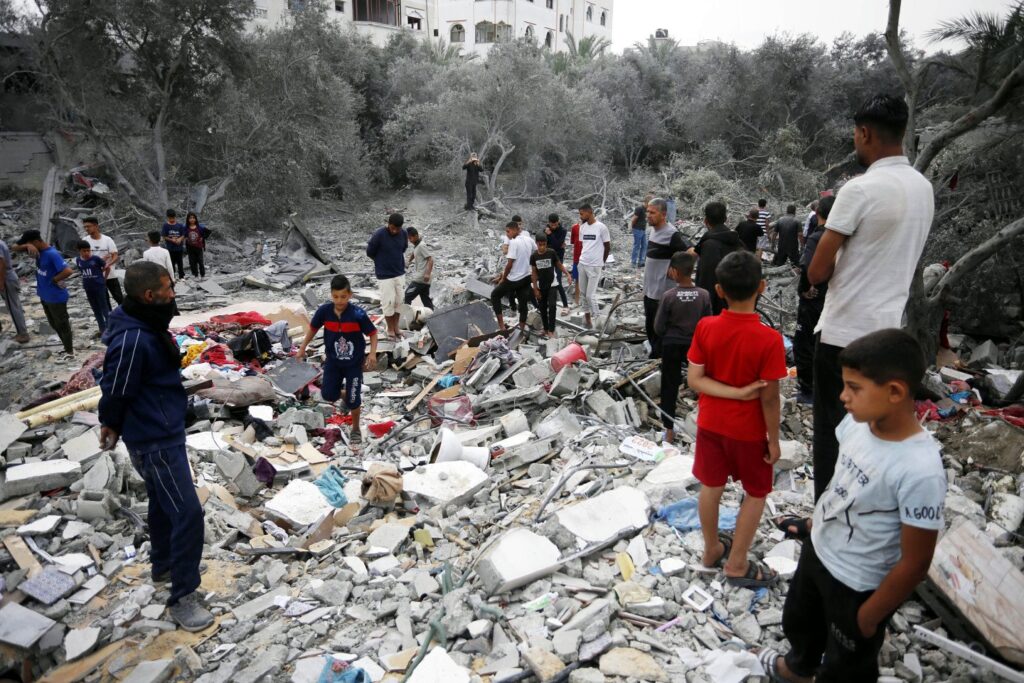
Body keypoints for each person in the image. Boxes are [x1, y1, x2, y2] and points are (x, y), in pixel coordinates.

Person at [760, 329, 945, 683]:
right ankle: (798, 668)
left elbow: (916, 561)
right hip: (820, 551)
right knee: (800, 620)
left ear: (895, 392)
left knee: (847, 664)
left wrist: (871, 615)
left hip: (858, 584)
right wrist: (817, 522)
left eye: (854, 388)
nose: (843, 396)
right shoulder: (858, 424)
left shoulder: (920, 471)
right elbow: (842, 479)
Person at [805, 93, 934, 504]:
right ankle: (866, 514)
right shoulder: (923, 188)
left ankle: (826, 520)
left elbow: (817, 271)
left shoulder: (860, 189)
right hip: (888, 335)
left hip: (845, 334)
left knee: (833, 434)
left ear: (864, 133)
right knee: (872, 437)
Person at [98, 261, 213, 632]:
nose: (172, 294)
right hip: (154, 439)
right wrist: (110, 422)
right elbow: (116, 387)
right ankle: (183, 597)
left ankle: (163, 565)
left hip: (162, 427)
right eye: (168, 288)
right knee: (188, 513)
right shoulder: (134, 338)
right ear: (150, 295)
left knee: (164, 505)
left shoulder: (145, 324)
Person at [686, 250, 787, 588]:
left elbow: (695, 380)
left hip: (711, 424)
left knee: (710, 487)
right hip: (749, 431)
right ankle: (738, 562)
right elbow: (770, 397)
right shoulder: (769, 339)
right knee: (756, 493)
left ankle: (712, 549)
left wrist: (732, 393)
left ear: (718, 290)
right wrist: (773, 439)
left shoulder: (706, 327)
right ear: (762, 286)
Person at [296, 274, 378, 447]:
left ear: (350, 295)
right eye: (335, 296)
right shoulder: (324, 312)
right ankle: (345, 395)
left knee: (355, 399)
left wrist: (372, 354)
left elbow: (373, 333)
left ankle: (355, 428)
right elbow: (312, 329)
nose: (339, 301)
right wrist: (302, 347)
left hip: (354, 364)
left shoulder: (358, 314)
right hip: (333, 361)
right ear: (331, 295)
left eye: (343, 296)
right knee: (328, 394)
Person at [654, 251, 711, 442]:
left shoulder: (669, 296)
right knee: (702, 384)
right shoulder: (703, 295)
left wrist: (668, 334)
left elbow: (658, 326)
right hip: (695, 346)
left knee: (669, 385)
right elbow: (707, 323)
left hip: (671, 344)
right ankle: (703, 423)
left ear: (674, 272)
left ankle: (669, 429)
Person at [793, 196, 834, 405]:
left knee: (803, 343)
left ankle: (808, 391)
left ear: (818, 213)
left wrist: (804, 290)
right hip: (833, 298)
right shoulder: (842, 237)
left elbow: (807, 266)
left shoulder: (818, 238)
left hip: (814, 298)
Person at [13, 230, 73, 358]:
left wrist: (55, 279)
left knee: (63, 325)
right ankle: (66, 348)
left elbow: (68, 271)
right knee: (53, 324)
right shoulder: (38, 251)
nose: (29, 250)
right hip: (44, 295)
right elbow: (13, 247)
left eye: (29, 244)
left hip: (55, 297)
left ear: (36, 242)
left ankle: (70, 352)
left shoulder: (52, 254)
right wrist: (26, 246)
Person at [643, 197, 690, 358]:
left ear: (663, 214)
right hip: (649, 290)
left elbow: (690, 252)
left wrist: (676, 267)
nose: (648, 215)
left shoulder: (672, 233)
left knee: (659, 329)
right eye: (647, 212)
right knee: (650, 326)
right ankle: (655, 357)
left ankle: (659, 360)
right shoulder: (653, 230)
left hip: (662, 293)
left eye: (652, 212)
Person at [693, 201, 744, 315]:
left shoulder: (710, 245)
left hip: (717, 309)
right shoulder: (738, 242)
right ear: (726, 219)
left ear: (706, 221)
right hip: (738, 306)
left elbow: (706, 281)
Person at [366, 213, 408, 340]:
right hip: (385, 275)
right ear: (388, 224)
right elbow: (370, 252)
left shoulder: (404, 234)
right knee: (388, 302)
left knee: (399, 302)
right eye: (392, 228)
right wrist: (381, 261)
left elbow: (403, 249)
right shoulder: (379, 234)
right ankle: (389, 328)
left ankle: (396, 327)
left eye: (397, 229)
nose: (394, 231)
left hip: (399, 272)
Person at [490, 222, 532, 332]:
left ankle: (501, 326)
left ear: (515, 230)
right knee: (523, 303)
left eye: (508, 231)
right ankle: (521, 328)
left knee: (495, 295)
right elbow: (535, 252)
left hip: (514, 278)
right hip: (527, 277)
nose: (507, 234)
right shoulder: (528, 239)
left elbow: (510, 264)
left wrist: (503, 278)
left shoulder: (514, 242)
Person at [576, 203, 611, 329]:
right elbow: (583, 245)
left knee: (591, 296)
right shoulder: (583, 227)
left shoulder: (601, 227)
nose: (580, 216)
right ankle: (587, 320)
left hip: (595, 265)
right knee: (583, 294)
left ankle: (599, 322)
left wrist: (602, 262)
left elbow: (607, 246)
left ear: (590, 212)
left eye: (582, 213)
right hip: (583, 263)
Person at [531, 233, 572, 338]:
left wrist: (567, 274)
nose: (542, 247)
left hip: (552, 284)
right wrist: (535, 289)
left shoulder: (551, 253)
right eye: (540, 245)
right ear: (536, 244)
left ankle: (551, 330)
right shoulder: (534, 256)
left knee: (553, 306)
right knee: (543, 308)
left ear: (546, 244)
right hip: (541, 285)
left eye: (544, 244)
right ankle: (545, 329)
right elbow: (534, 273)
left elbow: (558, 264)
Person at [82, 217, 123, 305]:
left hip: (110, 275)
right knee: (104, 301)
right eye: (84, 227)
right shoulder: (85, 240)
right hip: (95, 277)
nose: (86, 229)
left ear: (96, 226)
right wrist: (99, 261)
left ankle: (126, 317)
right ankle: (109, 317)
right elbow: (83, 258)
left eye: (88, 226)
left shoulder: (107, 240)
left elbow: (115, 256)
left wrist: (108, 264)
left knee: (119, 298)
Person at [75, 240, 111, 334]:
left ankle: (109, 329)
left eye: (88, 250)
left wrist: (104, 279)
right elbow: (81, 271)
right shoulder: (78, 260)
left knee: (104, 308)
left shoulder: (95, 259)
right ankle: (102, 329)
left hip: (99, 286)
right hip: (88, 287)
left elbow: (107, 267)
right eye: (84, 251)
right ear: (79, 251)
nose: (87, 253)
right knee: (95, 309)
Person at [0, 237, 30, 343]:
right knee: (14, 306)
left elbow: (1, 264)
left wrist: (1, 282)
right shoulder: (1, 243)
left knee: (13, 307)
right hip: (7, 277)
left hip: (6, 278)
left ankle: (23, 334)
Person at [404, 227, 434, 309]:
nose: (409, 240)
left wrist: (427, 274)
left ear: (416, 236)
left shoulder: (421, 246)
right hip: (424, 279)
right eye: (408, 238)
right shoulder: (417, 245)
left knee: (407, 296)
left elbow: (430, 259)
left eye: (411, 238)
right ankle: (431, 316)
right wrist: (408, 262)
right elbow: (414, 252)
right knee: (425, 299)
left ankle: (407, 316)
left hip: (421, 278)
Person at [544, 214, 570, 311]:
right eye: (552, 224)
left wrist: (550, 235)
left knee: (558, 280)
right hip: (547, 257)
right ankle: (547, 304)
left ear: (558, 221)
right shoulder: (545, 229)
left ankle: (565, 305)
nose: (553, 226)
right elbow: (544, 244)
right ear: (549, 222)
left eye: (555, 224)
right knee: (547, 280)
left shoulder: (562, 231)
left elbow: (557, 244)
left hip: (558, 258)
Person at [183, 212, 211, 279]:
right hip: (190, 247)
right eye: (190, 218)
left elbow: (208, 232)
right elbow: (183, 235)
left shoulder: (200, 227)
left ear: (195, 219)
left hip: (199, 247)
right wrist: (185, 238)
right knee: (193, 262)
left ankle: (202, 275)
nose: (192, 219)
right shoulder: (186, 228)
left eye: (193, 218)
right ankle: (195, 275)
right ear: (188, 219)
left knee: (200, 261)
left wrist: (203, 237)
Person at [161, 210, 186, 280]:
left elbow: (183, 234)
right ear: (167, 217)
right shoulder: (165, 226)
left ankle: (182, 276)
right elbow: (164, 236)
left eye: (173, 218)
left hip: (179, 247)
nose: (171, 220)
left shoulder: (180, 225)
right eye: (170, 218)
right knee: (171, 263)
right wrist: (171, 240)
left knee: (180, 262)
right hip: (170, 248)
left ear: (175, 217)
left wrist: (180, 239)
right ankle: (172, 276)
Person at [631, 194, 652, 268]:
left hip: (643, 229)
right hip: (637, 229)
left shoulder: (647, 209)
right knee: (637, 246)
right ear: (646, 202)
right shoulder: (639, 208)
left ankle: (641, 261)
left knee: (644, 245)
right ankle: (633, 262)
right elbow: (634, 219)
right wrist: (632, 228)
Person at [569, 220, 583, 308]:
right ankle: (577, 301)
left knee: (587, 280)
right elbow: (573, 242)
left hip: (587, 258)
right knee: (577, 280)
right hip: (577, 257)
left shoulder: (591, 228)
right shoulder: (575, 227)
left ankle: (585, 302)